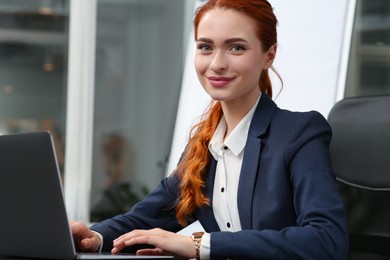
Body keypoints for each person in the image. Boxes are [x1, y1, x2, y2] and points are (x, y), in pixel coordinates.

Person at [71, 0, 349, 259]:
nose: (217, 64)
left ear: (269, 55)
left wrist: (199, 244)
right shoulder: (204, 144)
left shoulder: (299, 133)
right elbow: (146, 217)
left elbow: (327, 239)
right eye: (205, 47)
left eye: (236, 47)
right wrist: (94, 237)